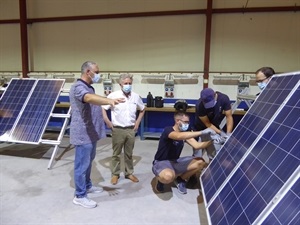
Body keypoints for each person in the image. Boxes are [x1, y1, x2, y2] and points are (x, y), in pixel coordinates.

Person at [70, 61, 124, 209]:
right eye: (97, 71)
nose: (99, 75)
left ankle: (87, 185)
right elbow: (87, 98)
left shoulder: (89, 87)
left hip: (90, 133)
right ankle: (80, 195)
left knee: (88, 162)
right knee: (81, 165)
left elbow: (92, 98)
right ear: (88, 72)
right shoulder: (78, 87)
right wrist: (108, 100)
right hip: (82, 133)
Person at [152, 111, 213, 194]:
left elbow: (197, 145)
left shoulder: (184, 133)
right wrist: (202, 132)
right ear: (177, 121)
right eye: (185, 122)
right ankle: (160, 181)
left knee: (200, 162)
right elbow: (178, 136)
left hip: (175, 161)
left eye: (188, 122)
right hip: (162, 162)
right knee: (168, 176)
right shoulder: (168, 130)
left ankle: (180, 179)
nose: (187, 124)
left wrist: (212, 141)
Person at [102, 73, 145, 185]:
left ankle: (129, 173)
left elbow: (143, 109)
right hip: (117, 129)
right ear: (120, 84)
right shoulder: (113, 95)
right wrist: (107, 121)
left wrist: (137, 122)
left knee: (128, 153)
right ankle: (115, 174)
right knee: (116, 154)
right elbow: (103, 107)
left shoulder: (136, 96)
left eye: (130, 83)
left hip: (131, 129)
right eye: (125, 83)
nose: (128, 85)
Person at [193, 88, 233, 158]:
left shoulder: (223, 99)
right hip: (200, 129)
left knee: (214, 156)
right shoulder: (200, 105)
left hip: (215, 127)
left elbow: (229, 117)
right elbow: (208, 124)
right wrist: (221, 133)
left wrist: (228, 133)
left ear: (215, 95)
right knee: (197, 157)